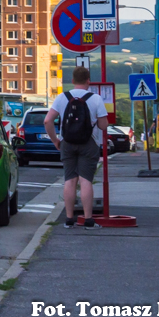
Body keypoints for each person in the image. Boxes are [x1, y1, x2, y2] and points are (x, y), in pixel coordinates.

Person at [45, 66, 110, 229]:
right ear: (89, 81)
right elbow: (103, 125)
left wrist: (55, 140)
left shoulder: (62, 97)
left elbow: (47, 121)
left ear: (73, 81)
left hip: (67, 142)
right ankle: (88, 220)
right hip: (89, 143)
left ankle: (68, 219)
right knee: (86, 180)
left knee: (70, 180)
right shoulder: (96, 99)